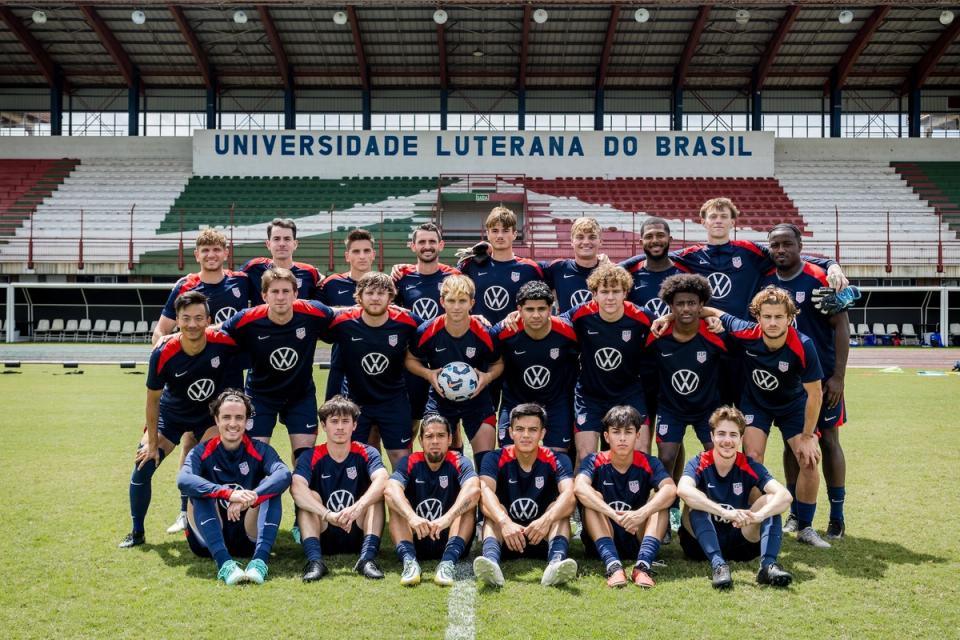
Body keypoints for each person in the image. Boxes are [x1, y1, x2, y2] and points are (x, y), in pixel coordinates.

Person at [670, 198, 846, 406]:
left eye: (724, 216)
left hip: (746, 345)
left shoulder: (748, 251)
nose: (718, 221)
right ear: (703, 222)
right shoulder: (691, 255)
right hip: (709, 343)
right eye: (713, 217)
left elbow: (790, 255)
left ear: (733, 222)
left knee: (747, 412)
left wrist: (830, 264)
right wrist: (621, 266)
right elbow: (653, 258)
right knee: (712, 413)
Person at [702, 286, 830, 548]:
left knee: (808, 460)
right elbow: (711, 310)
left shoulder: (803, 345)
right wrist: (667, 318)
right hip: (756, 404)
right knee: (752, 460)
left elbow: (815, 394)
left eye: (778, 317)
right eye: (767, 316)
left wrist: (807, 436)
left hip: (793, 406)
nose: (772, 322)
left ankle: (805, 527)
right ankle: (753, 519)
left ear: (789, 318)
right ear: (757, 317)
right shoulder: (746, 331)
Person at [119, 291, 239, 549]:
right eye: (186, 318)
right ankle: (137, 531)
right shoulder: (163, 351)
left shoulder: (225, 343)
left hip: (207, 418)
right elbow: (152, 400)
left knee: (204, 466)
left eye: (198, 318)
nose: (192, 324)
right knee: (143, 465)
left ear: (209, 320)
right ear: (177, 320)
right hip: (171, 417)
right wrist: (152, 444)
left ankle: (195, 522)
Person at [153, 228, 250, 533]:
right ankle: (186, 510)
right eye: (205, 250)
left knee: (227, 443)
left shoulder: (243, 282)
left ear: (226, 253)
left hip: (231, 375)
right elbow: (161, 332)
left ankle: (227, 508)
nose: (211, 255)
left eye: (216, 249)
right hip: (195, 378)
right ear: (197, 255)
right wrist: (168, 358)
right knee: (191, 442)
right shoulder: (184, 286)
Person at [763, 224, 850, 539]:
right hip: (785, 379)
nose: (781, 250)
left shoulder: (818, 276)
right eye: (776, 245)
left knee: (827, 441)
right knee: (793, 444)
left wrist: (839, 376)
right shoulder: (767, 280)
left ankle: (837, 517)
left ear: (800, 245)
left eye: (788, 244)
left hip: (823, 378)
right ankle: (797, 516)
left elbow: (841, 325)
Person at [220, 267, 334, 466]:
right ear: (264, 295)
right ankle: (258, 496)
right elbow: (216, 334)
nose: (280, 297)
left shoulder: (313, 312)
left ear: (296, 294)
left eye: (286, 291)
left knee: (304, 458)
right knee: (254, 456)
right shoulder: (247, 318)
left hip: (300, 395)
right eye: (274, 292)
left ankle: (301, 497)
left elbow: (345, 315)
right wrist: (177, 335)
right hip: (261, 395)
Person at [177, 390, 291, 585]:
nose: (233, 423)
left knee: (271, 487)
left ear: (247, 421)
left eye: (239, 417)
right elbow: (183, 480)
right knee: (199, 489)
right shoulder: (201, 451)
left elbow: (284, 475)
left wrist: (252, 497)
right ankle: (225, 564)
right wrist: (229, 494)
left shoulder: (260, 450)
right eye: (226, 417)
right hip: (206, 540)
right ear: (217, 420)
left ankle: (259, 562)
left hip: (248, 537)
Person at [644, 273, 727, 540]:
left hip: (708, 409)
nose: (686, 309)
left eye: (692, 303)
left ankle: (717, 512)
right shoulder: (658, 336)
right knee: (666, 457)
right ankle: (666, 515)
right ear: (671, 306)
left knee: (718, 456)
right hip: (671, 408)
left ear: (701, 305)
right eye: (680, 304)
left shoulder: (715, 335)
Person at [677, 405, 794, 589]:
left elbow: (785, 496)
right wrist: (724, 512)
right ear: (712, 436)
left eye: (733, 435)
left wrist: (759, 515)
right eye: (721, 434)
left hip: (740, 539)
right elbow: (683, 489)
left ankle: (768, 567)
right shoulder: (699, 462)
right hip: (699, 545)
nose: (727, 440)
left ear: (740, 438)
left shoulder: (748, 464)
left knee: (772, 502)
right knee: (693, 502)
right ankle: (718, 565)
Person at [406, 274, 503, 474]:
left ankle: (483, 505)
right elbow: (410, 359)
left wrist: (488, 377)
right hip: (440, 401)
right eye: (451, 300)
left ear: (472, 303)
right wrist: (428, 374)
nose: (456, 307)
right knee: (439, 462)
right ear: (442, 301)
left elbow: (498, 363)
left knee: (486, 465)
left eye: (462, 301)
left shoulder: (485, 332)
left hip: (477, 400)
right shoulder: (427, 330)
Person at [474, 403, 579, 588]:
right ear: (511, 432)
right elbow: (484, 494)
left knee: (559, 510)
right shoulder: (494, 458)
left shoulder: (557, 459)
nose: (526, 435)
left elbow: (570, 496)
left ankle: (555, 564)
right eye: (520, 429)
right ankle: (491, 563)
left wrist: (546, 519)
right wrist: (504, 522)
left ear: (542, 434)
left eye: (533, 430)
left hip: (542, 534)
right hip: (506, 535)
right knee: (494, 511)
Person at [575, 405, 676, 588]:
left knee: (659, 498)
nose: (622, 438)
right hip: (603, 535)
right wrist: (612, 513)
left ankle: (643, 567)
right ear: (606, 436)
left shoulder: (648, 462)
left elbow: (670, 490)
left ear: (637, 436)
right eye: (616, 432)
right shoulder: (594, 460)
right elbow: (580, 487)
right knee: (592, 496)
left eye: (628, 432)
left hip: (636, 535)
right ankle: (613, 566)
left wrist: (641, 514)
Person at [291, 396, 390, 581]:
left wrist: (357, 507)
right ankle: (315, 561)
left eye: (346, 421)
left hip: (357, 526)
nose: (340, 427)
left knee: (375, 494)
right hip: (324, 527)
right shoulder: (310, 456)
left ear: (354, 425)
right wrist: (328, 514)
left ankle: (367, 559)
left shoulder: (367, 452)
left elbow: (383, 479)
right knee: (308, 496)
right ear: (323, 425)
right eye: (334, 421)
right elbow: (296, 488)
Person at [327, 272, 421, 467]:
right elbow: (310, 317)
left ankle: (402, 497)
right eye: (370, 293)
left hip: (393, 400)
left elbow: (436, 329)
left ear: (391, 297)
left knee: (402, 458)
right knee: (359, 460)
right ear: (359, 297)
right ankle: (369, 498)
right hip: (355, 401)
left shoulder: (408, 321)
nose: (376, 298)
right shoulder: (342, 322)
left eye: (381, 293)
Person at [565, 263, 653, 464]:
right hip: (590, 394)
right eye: (604, 291)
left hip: (628, 392)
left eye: (616, 291)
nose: (610, 297)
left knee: (641, 450)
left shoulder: (642, 317)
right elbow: (549, 323)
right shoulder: (579, 315)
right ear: (594, 294)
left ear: (625, 293)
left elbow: (668, 327)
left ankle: (637, 495)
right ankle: (584, 495)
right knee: (585, 455)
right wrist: (514, 315)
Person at [385, 414, 481, 586]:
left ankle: (447, 563)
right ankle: (410, 562)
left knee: (468, 506)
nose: (435, 441)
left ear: (450, 439)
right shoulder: (410, 461)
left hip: (450, 535)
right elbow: (390, 490)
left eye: (441, 436)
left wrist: (448, 517)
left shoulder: (459, 461)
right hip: (417, 535)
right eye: (429, 436)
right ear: (421, 441)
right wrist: (412, 517)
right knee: (396, 504)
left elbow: (474, 490)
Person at [490, 281, 579, 451]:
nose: (536, 315)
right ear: (519, 309)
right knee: (509, 457)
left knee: (557, 460)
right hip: (515, 402)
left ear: (551, 308)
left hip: (555, 403)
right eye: (530, 309)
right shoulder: (502, 332)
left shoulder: (568, 331)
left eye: (542, 309)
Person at [392, 222, 460, 434]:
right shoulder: (401, 278)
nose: (427, 246)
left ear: (441, 245)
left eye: (432, 241)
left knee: (450, 425)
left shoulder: (454, 278)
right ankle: (409, 467)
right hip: (413, 360)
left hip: (446, 358)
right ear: (412, 246)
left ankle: (453, 467)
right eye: (421, 242)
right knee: (411, 424)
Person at [319, 228, 377, 401]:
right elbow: (317, 315)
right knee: (335, 417)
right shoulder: (331, 284)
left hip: (377, 362)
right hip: (341, 362)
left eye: (366, 251)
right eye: (356, 251)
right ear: (347, 256)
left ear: (373, 254)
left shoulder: (385, 285)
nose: (362, 256)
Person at [242, 218, 322, 305]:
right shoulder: (253, 267)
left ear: (295, 244)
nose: (282, 244)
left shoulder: (310, 272)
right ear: (268, 244)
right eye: (276, 239)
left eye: (287, 239)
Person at [541, 217, 604, 314]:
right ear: (571, 241)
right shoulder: (558, 269)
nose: (586, 242)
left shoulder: (609, 273)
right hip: (566, 328)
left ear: (600, 241)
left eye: (592, 237)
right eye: (580, 237)